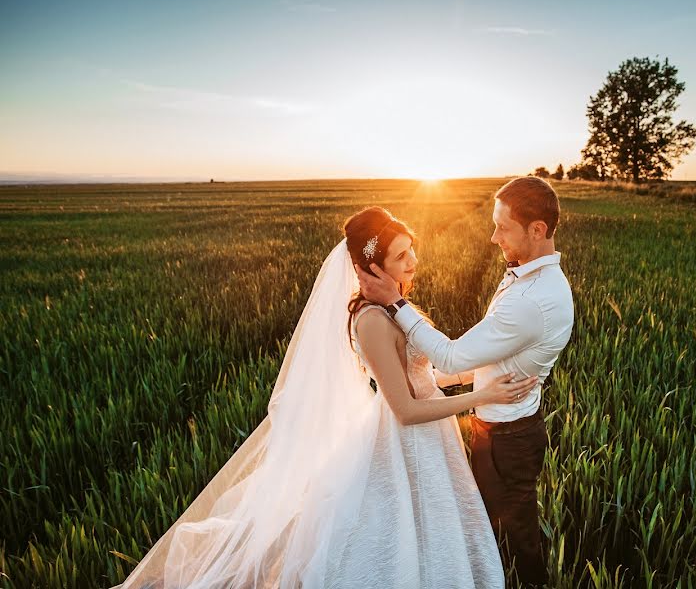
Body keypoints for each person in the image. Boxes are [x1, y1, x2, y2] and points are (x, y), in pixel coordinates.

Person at [111, 206, 537, 588]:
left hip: (430, 438)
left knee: (430, 528)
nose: (414, 262)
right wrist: (481, 394)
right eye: (401, 256)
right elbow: (405, 410)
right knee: (396, 535)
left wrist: (485, 373)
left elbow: (422, 379)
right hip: (404, 437)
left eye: (411, 250)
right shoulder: (371, 321)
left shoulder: (394, 306)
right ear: (370, 267)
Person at [356, 176, 574, 587]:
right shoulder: (525, 277)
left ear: (537, 230)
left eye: (503, 227)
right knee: (479, 525)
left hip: (509, 437)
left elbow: (453, 354)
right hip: (489, 429)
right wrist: (427, 381)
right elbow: (481, 362)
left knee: (515, 533)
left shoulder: (533, 299)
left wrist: (397, 303)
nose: (493, 238)